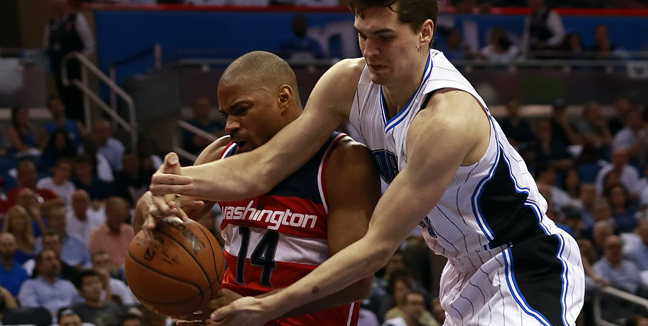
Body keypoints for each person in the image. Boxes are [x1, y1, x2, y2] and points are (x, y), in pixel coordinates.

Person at [150, 1, 584, 325]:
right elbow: (262, 167)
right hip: (461, 268)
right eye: (362, 34)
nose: (370, 50)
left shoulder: (446, 118)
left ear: (424, 33)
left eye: (385, 37)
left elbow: (375, 248)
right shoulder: (347, 81)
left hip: (524, 263)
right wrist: (172, 184)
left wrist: (268, 306)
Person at [139, 51, 380, 325]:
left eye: (241, 110)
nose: (229, 125)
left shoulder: (343, 161)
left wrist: (257, 308)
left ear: (283, 98)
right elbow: (149, 236)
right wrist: (149, 205)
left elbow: (355, 283)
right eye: (226, 115)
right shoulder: (221, 154)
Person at [43, 0, 95, 123]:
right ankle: (67, 123)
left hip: (73, 65)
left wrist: (81, 58)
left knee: (76, 97)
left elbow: (90, 44)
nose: (59, 8)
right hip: (59, 66)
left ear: (67, 5)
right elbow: (45, 45)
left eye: (61, 5)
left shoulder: (76, 19)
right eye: (56, 6)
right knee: (63, 97)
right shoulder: (51, 23)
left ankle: (80, 123)